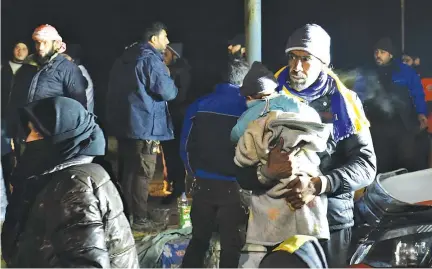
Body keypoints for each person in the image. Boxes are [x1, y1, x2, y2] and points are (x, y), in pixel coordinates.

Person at [236, 24, 376, 268]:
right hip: (273, 222)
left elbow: (366, 165)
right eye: (292, 57)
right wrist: (266, 172)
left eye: (306, 59)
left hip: (330, 225)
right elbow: (240, 167)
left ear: (323, 61)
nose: (296, 67)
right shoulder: (268, 97)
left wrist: (318, 185)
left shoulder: (344, 103)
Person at [1, 97, 138, 268]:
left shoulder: (74, 185)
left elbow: (85, 263)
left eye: (37, 132)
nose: (28, 140)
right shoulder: (62, 174)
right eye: (30, 131)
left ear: (63, 136)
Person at [231, 61, 332, 246]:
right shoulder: (296, 104)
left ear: (250, 95)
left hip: (272, 207)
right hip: (307, 196)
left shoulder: (253, 114)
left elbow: (236, 136)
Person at [106, 22, 178, 231]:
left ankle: (126, 215)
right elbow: (168, 92)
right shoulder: (151, 60)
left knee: (128, 172)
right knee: (142, 174)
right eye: (164, 37)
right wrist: (169, 77)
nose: (167, 41)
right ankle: (139, 218)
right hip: (145, 125)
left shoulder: (123, 59)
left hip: (125, 126)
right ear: (153, 39)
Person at [180, 59, 250, 268]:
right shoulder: (249, 109)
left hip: (204, 184)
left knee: (199, 240)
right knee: (231, 247)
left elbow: (185, 146)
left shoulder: (199, 105)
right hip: (236, 188)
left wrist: (194, 173)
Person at [354, 38, 429, 173]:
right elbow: (358, 96)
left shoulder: (405, 71)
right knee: (380, 159)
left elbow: (417, 93)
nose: (378, 55)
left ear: (390, 55)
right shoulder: (367, 72)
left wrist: (421, 113)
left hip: (402, 123)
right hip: (377, 124)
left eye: (382, 52)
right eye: (376, 51)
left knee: (406, 158)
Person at [161, 43, 191, 204]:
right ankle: (175, 188)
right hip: (171, 117)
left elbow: (179, 96)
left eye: (166, 54)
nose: (163, 56)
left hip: (177, 118)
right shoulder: (173, 70)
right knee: (170, 155)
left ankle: (179, 190)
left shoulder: (180, 71)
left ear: (175, 55)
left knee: (175, 154)